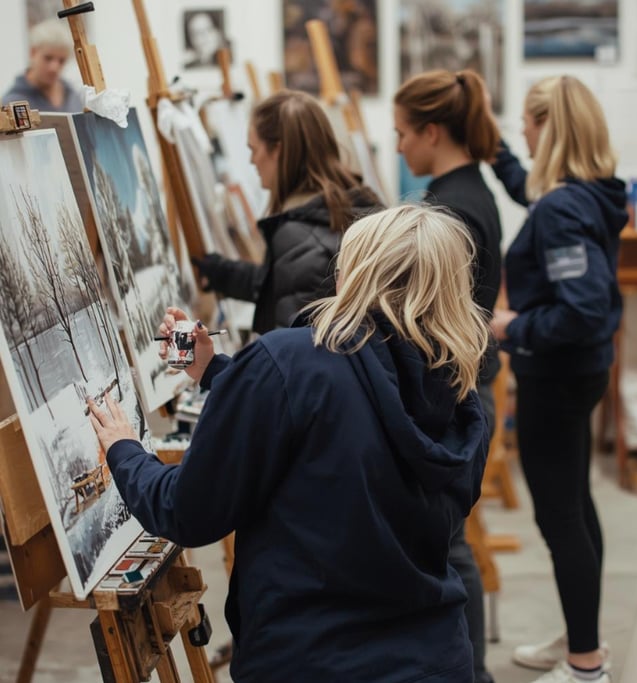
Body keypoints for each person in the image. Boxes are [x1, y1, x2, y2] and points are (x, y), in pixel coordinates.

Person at [89, 204, 491, 683]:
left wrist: (123, 449)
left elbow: (186, 510)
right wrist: (218, 372)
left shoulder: (291, 360)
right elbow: (347, 420)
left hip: (312, 661)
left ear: (354, 277)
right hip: (436, 660)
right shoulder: (461, 399)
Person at [489, 75, 627, 683]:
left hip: (558, 376)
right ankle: (583, 633)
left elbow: (583, 308)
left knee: (560, 517)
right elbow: (532, 194)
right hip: (582, 371)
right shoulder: (585, 193)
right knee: (577, 502)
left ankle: (586, 665)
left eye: (526, 120)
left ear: (550, 128)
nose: (522, 128)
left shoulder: (565, 207)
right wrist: (495, 150)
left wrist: (511, 327)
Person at [394, 68, 502, 683]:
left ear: (432, 131)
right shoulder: (469, 190)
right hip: (462, 380)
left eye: (405, 133)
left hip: (453, 386)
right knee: (450, 542)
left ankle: (472, 673)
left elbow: (434, 315)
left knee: (451, 547)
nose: (401, 147)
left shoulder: (453, 207)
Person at [192, 89, 381, 334]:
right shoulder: (356, 202)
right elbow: (293, 287)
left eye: (254, 149)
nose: (251, 161)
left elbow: (294, 350)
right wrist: (226, 275)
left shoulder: (300, 230)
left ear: (277, 150)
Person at [2, 19, 83, 113]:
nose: (54, 68)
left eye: (61, 61)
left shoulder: (74, 95)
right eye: (48, 58)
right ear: (32, 52)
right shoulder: (11, 104)